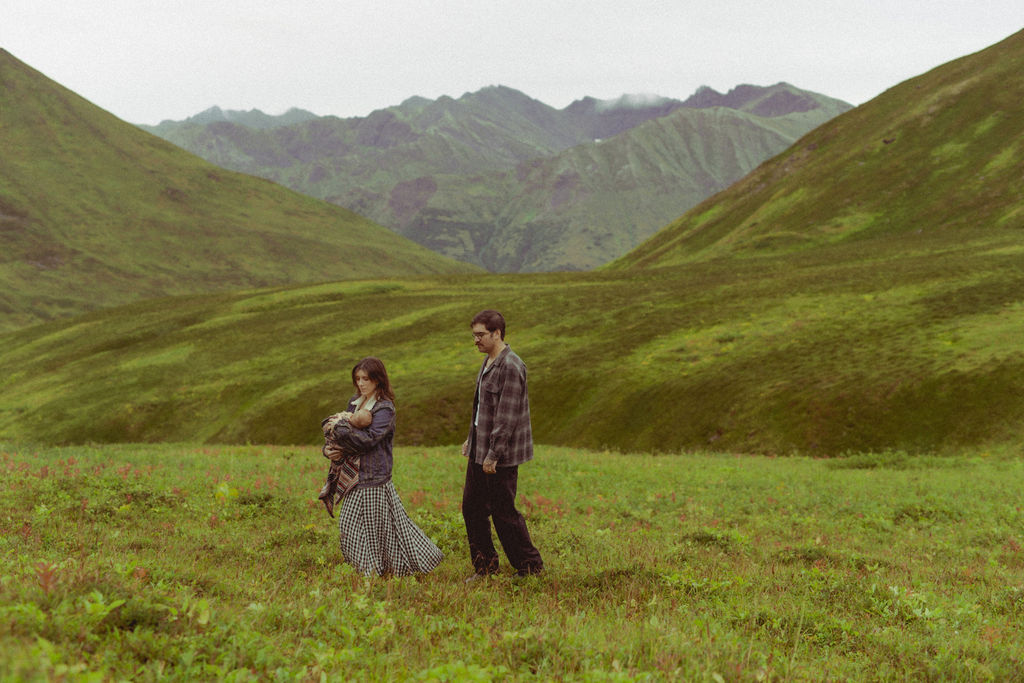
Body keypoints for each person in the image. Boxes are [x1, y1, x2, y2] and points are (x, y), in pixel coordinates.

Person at [332, 357, 444, 577]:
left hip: (374, 477)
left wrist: (341, 426)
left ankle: (374, 572)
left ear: (378, 380)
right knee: (353, 525)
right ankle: (372, 569)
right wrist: (330, 449)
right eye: (358, 379)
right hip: (354, 474)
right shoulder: (355, 402)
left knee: (378, 530)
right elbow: (343, 439)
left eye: (366, 378)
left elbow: (368, 440)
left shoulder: (385, 408)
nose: (361, 383)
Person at [461, 310, 544, 581]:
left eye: (480, 335)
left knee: (503, 511)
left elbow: (507, 417)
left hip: (500, 455)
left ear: (497, 333)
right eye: (474, 335)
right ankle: (485, 568)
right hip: (480, 448)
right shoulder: (487, 361)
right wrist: (471, 440)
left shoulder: (511, 365)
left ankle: (530, 567)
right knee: (472, 509)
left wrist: (493, 454)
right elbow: (482, 410)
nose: (476, 340)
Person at [317, 407, 373, 518]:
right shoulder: (353, 406)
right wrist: (327, 450)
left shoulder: (383, 409)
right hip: (343, 454)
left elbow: (370, 442)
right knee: (336, 468)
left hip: (366, 471)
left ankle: (329, 490)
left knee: (336, 471)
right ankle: (329, 490)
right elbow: (336, 435)